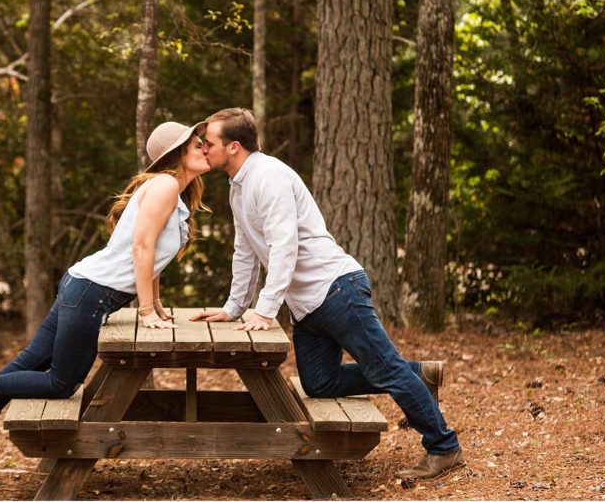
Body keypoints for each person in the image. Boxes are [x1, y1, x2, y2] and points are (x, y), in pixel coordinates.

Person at [191, 108, 464, 480]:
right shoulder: (239, 186)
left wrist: (265, 310)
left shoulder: (268, 177)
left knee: (386, 370)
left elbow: (284, 246)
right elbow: (246, 249)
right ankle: (415, 373)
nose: (203, 149)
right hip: (308, 305)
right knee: (319, 383)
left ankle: (443, 447)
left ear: (234, 146)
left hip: (336, 290)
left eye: (209, 143)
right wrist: (234, 307)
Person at [0, 120, 209, 484]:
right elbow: (141, 247)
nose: (205, 147)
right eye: (196, 143)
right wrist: (143, 310)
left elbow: (152, 255)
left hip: (83, 285)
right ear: (177, 154)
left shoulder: (172, 191)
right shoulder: (165, 186)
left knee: (30, 361)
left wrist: (155, 303)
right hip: (92, 293)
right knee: (61, 383)